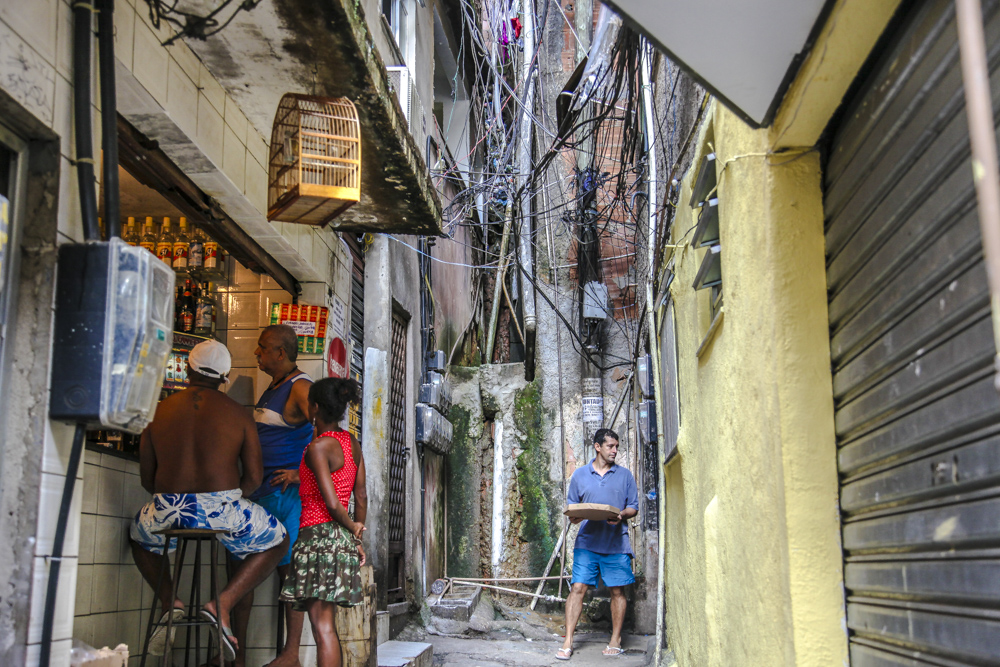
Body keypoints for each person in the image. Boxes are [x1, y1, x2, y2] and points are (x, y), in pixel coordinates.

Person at [128, 340, 289, 662]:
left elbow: (147, 478)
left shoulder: (157, 412)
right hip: (222, 508)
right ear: (224, 376)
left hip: (167, 509)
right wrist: (227, 500)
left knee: (138, 535)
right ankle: (223, 603)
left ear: (188, 368)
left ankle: (170, 600)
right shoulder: (238, 415)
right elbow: (254, 477)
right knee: (278, 541)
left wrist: (173, 500)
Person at [229, 324, 314, 667]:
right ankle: (237, 657)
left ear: (281, 353)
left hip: (285, 498)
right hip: (259, 495)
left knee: (289, 574)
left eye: (262, 348)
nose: (256, 353)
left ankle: (291, 654)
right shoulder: (273, 388)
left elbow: (333, 438)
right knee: (242, 575)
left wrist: (300, 473)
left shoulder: (301, 387)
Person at [280, 378, 368, 667]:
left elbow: (331, 503)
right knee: (326, 626)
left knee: (323, 628)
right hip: (340, 541)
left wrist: (353, 527)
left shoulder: (318, 447)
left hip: (318, 538)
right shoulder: (351, 443)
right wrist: (355, 536)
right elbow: (361, 496)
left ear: (315, 407)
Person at [556, 428, 639, 661]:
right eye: (610, 446)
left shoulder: (625, 476)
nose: (615, 451)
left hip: (616, 544)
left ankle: (615, 639)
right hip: (587, 543)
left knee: (617, 591)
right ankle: (568, 640)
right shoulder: (581, 475)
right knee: (577, 589)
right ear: (598, 446)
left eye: (617, 447)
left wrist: (622, 515)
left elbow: (633, 506)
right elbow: (573, 507)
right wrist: (575, 516)